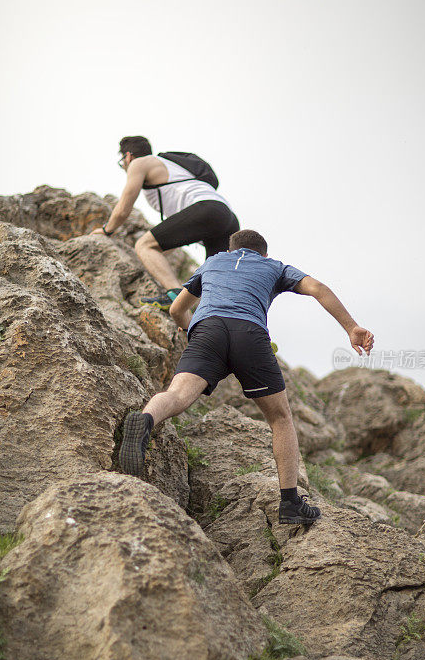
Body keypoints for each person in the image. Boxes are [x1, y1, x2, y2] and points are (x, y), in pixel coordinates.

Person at [118, 229, 374, 525]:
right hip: (248, 332)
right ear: (263, 253)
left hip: (207, 329)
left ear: (231, 249)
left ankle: (146, 420)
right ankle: (290, 502)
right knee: (280, 418)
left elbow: (177, 308)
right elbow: (317, 287)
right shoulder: (274, 266)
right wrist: (351, 327)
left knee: (177, 394)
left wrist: (192, 330)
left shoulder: (213, 263)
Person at [90, 136, 240, 309]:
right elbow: (178, 233)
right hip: (227, 218)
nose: (124, 166)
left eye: (122, 161)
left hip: (206, 210)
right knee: (213, 288)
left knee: (144, 245)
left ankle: (174, 293)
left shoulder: (139, 163)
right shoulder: (170, 168)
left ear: (128, 156)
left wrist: (107, 230)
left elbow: (124, 207)